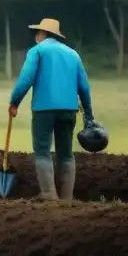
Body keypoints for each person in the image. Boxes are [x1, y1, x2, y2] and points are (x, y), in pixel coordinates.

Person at [9, 17, 93, 201]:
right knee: (66, 153)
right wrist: (89, 114)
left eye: (37, 33)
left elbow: (26, 79)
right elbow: (84, 88)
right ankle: (66, 198)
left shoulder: (37, 51)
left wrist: (14, 102)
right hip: (69, 111)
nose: (35, 37)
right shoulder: (73, 54)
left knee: (42, 151)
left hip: (43, 110)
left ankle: (48, 195)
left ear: (42, 34)